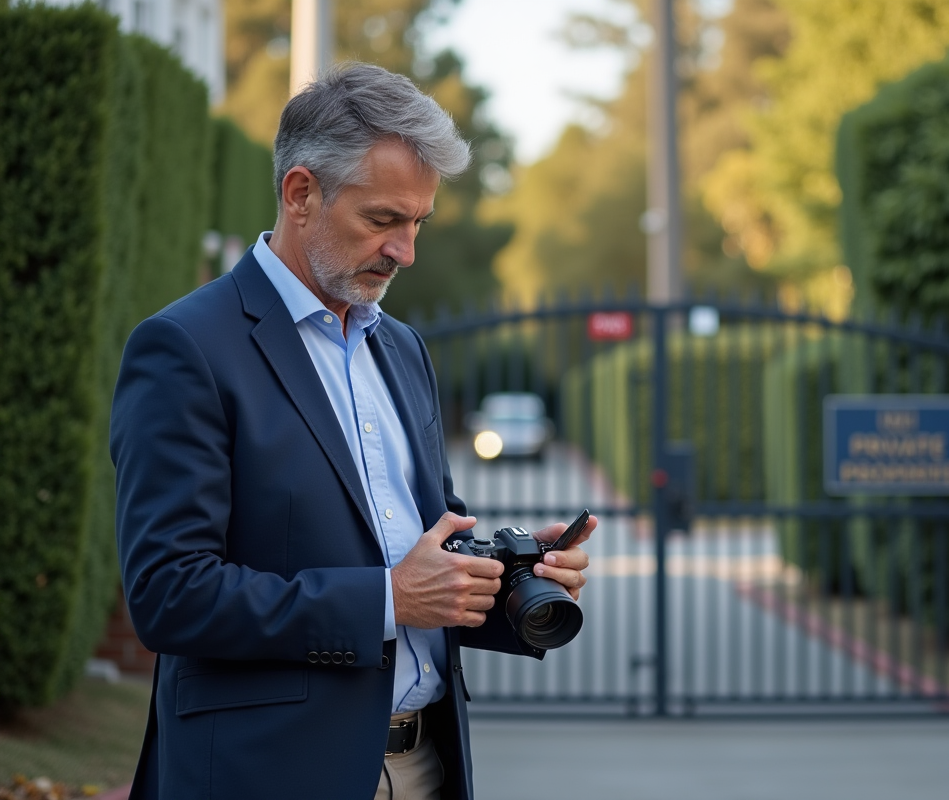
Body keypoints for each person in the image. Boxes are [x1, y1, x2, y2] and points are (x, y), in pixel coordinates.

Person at [110, 62, 594, 800]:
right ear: (300, 193)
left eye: (418, 223)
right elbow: (169, 593)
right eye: (383, 220)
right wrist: (387, 601)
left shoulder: (402, 348)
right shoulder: (186, 347)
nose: (406, 250)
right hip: (266, 774)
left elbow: (432, 546)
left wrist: (514, 583)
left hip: (427, 765)